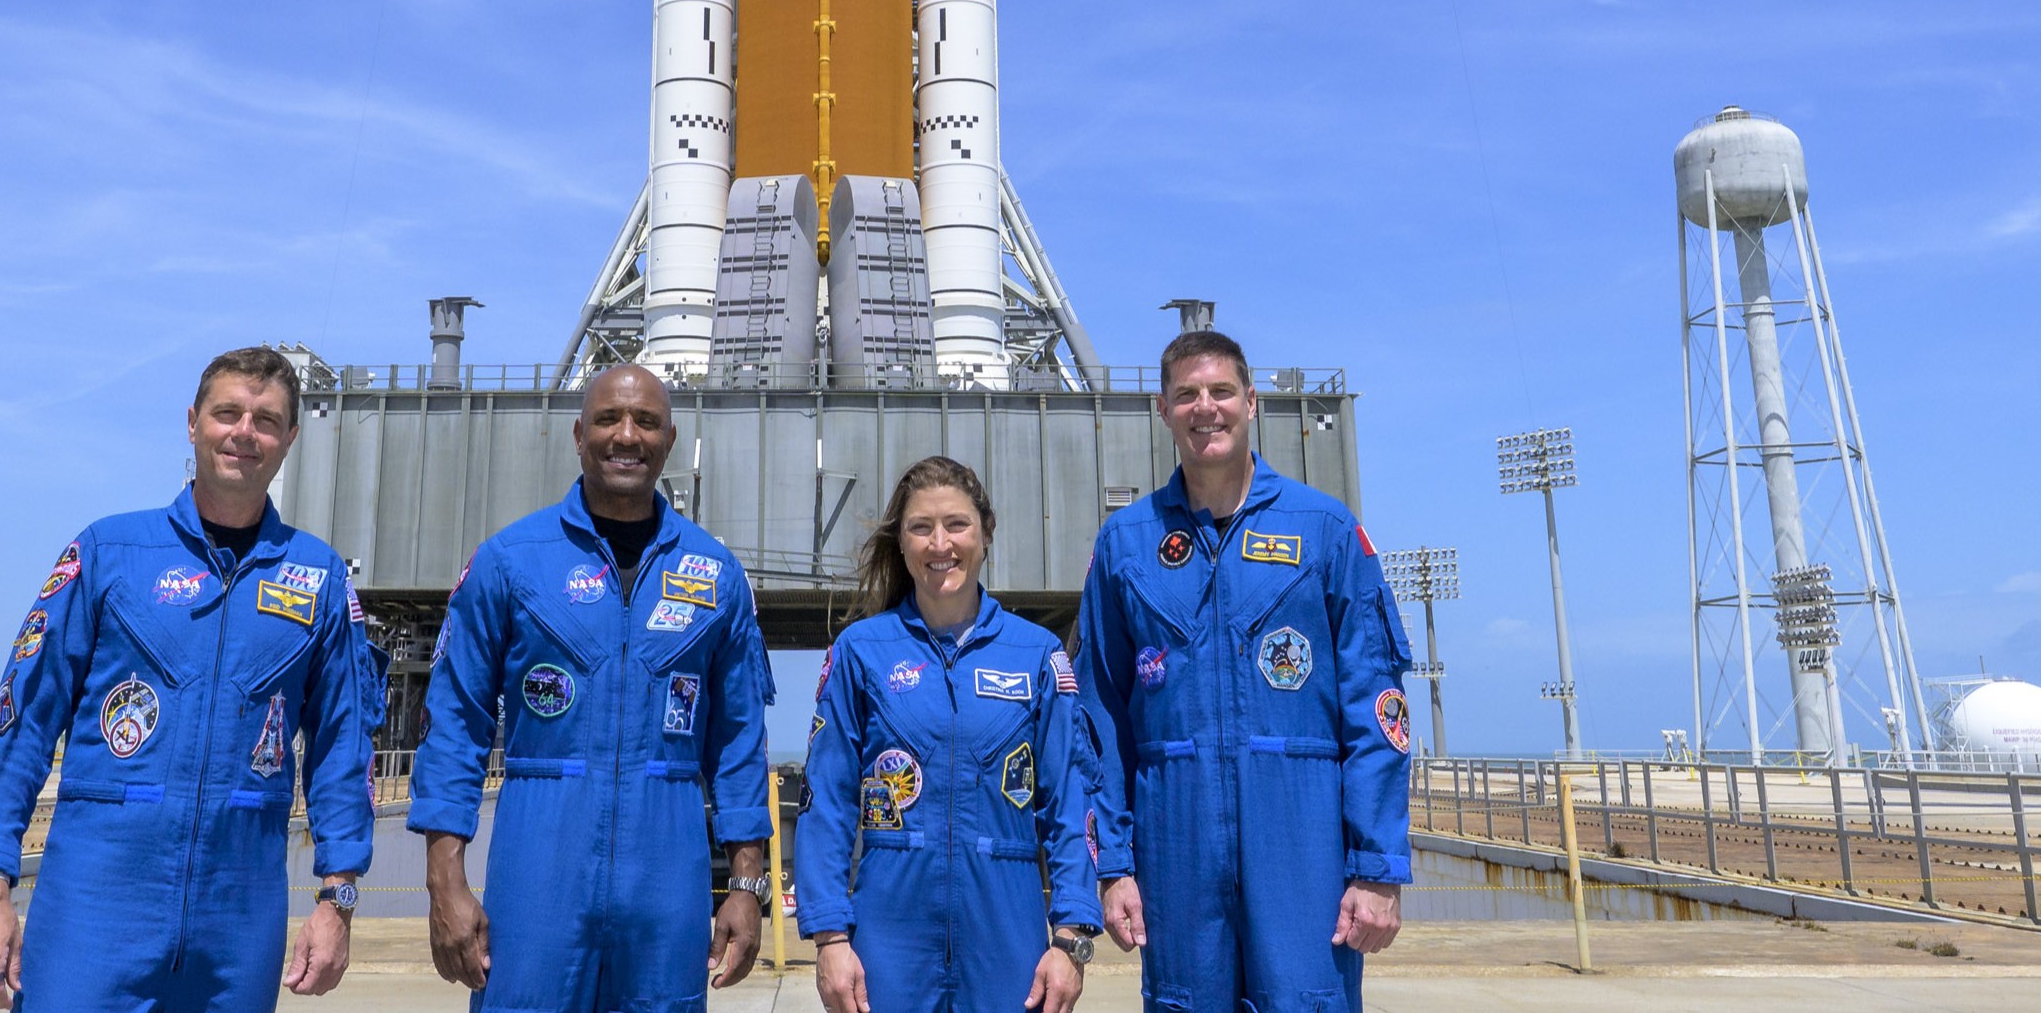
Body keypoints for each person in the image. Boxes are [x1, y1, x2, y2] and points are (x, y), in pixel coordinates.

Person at [0, 347, 381, 1013]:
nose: (245, 432)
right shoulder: (108, 553)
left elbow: (342, 750)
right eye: (227, 413)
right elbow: (18, 721)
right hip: (94, 915)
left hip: (236, 928)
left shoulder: (318, 579)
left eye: (266, 420)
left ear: (291, 437)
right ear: (192, 422)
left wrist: (337, 900)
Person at [411, 364, 775, 1012]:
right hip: (538, 858)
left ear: (669, 440)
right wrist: (445, 882)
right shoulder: (511, 560)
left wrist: (748, 886)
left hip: (667, 867)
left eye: (646, 422)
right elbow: (456, 722)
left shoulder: (714, 574)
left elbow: (739, 738)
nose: (626, 435)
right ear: (579, 435)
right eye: (608, 419)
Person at [1075, 326, 1414, 1013]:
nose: (1207, 408)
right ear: (1162, 410)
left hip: (1302, 843)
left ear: (1251, 402)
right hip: (1177, 847)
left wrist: (1377, 870)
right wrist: (1112, 865)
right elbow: (1099, 718)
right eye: (1188, 394)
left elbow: (1376, 702)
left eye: (1221, 391)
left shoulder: (1324, 529)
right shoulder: (1127, 544)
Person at [797, 456, 1119, 1013]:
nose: (939, 543)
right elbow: (826, 802)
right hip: (888, 945)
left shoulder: (1037, 656)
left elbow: (1069, 799)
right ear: (901, 542)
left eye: (957, 525)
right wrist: (829, 937)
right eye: (921, 527)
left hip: (1006, 940)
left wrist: (1071, 938)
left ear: (986, 533)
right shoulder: (860, 653)